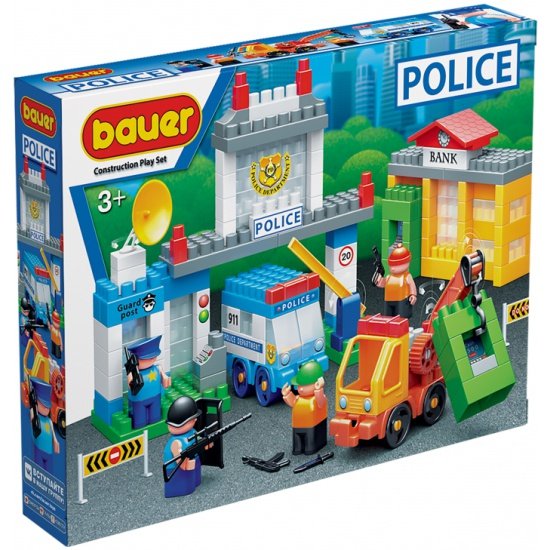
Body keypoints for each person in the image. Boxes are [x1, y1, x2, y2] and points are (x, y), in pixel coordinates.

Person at [163, 397, 211, 498]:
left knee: (195, 479)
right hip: (178, 468)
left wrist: (205, 443)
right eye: (193, 419)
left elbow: (198, 440)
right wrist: (185, 465)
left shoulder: (192, 432)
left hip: (193, 460)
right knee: (185, 484)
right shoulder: (176, 442)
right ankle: (183, 488)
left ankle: (194, 482)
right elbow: (178, 457)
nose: (196, 419)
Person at [282, 360, 327, 455]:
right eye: (299, 386)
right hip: (297, 426)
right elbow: (292, 402)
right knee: (297, 446)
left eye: (305, 386)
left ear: (317, 383)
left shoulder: (316, 399)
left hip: (314, 427)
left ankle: (310, 449)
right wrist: (287, 394)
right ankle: (298, 449)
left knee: (309, 446)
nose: (301, 389)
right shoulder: (298, 398)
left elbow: (321, 402)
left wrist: (319, 390)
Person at [126, 336, 171, 429]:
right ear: (135, 360)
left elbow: (164, 378)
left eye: (153, 357)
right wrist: (133, 378)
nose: (151, 360)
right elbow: (131, 386)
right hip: (138, 401)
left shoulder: (157, 368)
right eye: (146, 358)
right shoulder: (133, 373)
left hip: (155, 397)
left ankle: (154, 425)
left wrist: (165, 378)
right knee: (140, 421)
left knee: (155, 417)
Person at [374, 243, 417, 319]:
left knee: (400, 319)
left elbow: (412, 285)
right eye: (392, 265)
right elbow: (383, 283)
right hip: (388, 301)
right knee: (388, 318)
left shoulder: (407, 276)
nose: (393, 268)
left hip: (402, 301)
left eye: (397, 265)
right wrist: (378, 281)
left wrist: (413, 295)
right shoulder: (389, 277)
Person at [30, 377, 60, 471]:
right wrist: (33, 404)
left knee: (49, 471)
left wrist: (55, 441)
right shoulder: (35, 415)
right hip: (39, 449)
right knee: (39, 470)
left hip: (49, 452)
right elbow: (32, 417)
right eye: (43, 405)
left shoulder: (49, 421)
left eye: (48, 406)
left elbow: (53, 433)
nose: (46, 409)